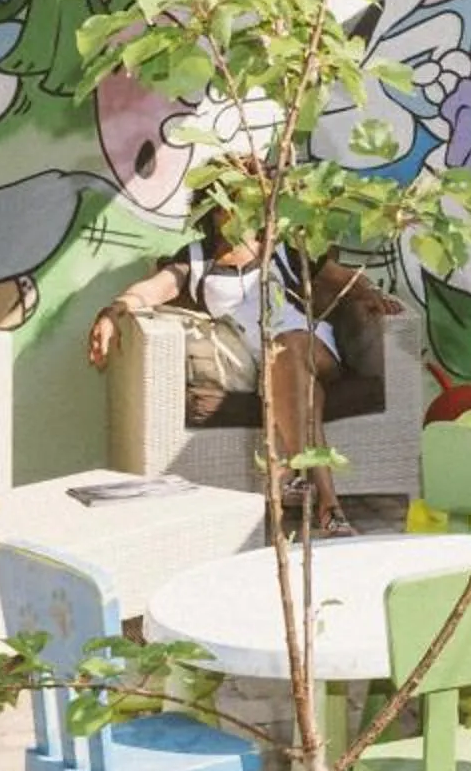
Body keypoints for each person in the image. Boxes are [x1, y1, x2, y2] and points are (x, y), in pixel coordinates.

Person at [84, 164, 402, 536]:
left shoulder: (282, 248)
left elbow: (346, 278)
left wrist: (374, 297)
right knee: (299, 385)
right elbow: (150, 290)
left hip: (312, 343)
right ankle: (326, 507)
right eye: (226, 204)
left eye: (246, 202)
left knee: (287, 348)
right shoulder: (197, 260)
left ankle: (316, 492)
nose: (235, 213)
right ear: (213, 208)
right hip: (266, 363)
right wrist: (113, 311)